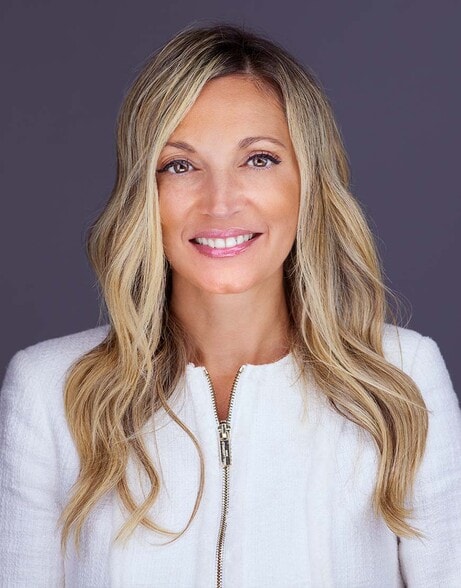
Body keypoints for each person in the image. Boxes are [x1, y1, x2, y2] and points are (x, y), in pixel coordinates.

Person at [1, 23, 460, 588]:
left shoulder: (402, 379)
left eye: (259, 159)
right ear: (145, 193)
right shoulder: (51, 392)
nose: (220, 203)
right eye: (180, 165)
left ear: (308, 183)